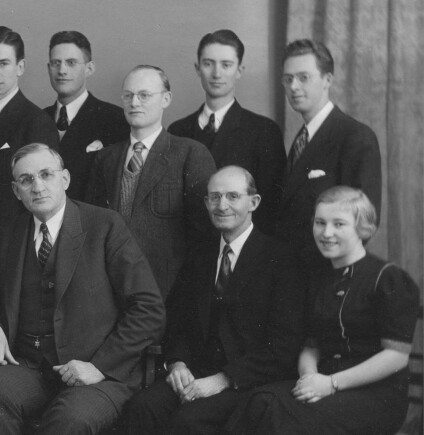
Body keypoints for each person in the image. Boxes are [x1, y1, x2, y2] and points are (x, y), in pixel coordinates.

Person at [0, 144, 164, 434]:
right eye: (26, 180)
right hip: (31, 367)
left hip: (97, 372)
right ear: (15, 190)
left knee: (68, 421)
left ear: (65, 179)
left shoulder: (105, 226)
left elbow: (149, 309)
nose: (37, 186)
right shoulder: (7, 234)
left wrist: (99, 366)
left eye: (46, 174)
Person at [227, 186, 420, 434]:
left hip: (376, 395)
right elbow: (311, 345)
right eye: (320, 223)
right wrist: (309, 378)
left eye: (339, 224)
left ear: (362, 228)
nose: (326, 233)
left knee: (281, 418)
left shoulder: (388, 278)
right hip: (323, 381)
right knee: (258, 402)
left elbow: (396, 356)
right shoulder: (318, 277)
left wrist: (331, 384)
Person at [125, 166, 304, 434]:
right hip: (196, 372)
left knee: (188, 422)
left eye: (233, 196)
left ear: (253, 202)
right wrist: (178, 364)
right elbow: (178, 322)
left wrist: (223, 379)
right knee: (142, 407)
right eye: (215, 197)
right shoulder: (200, 255)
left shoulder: (281, 259)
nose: (222, 205)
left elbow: (283, 347)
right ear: (206, 203)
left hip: (249, 382)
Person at [87, 65, 216, 295]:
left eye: (144, 95)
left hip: (168, 291)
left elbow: (203, 236)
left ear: (166, 99)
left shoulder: (190, 153)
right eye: (128, 96)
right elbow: (93, 226)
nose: (134, 103)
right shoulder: (106, 158)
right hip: (110, 288)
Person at [274, 39, 382, 278]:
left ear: (327, 80)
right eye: (288, 79)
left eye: (303, 77)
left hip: (326, 278)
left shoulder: (355, 137)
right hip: (290, 276)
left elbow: (364, 223)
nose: (293, 86)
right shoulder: (301, 138)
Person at [168, 30, 285, 232]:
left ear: (239, 70)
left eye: (226, 65)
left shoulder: (264, 131)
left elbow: (271, 207)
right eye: (208, 63)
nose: (216, 73)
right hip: (188, 252)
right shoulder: (178, 130)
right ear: (197, 68)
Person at [0, 26, 59, 275]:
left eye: (3, 63)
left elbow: (44, 198)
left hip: (14, 249)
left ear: (20, 67)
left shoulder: (36, 121)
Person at [43, 30, 129, 200]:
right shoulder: (38, 118)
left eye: (71, 62)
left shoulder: (115, 119)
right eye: (55, 63)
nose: (62, 70)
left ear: (89, 68)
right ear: (48, 68)